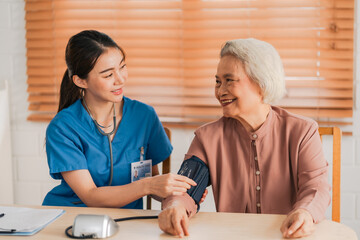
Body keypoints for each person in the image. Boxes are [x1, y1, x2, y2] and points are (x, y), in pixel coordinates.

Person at [158, 38, 330, 238]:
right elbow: (184, 188)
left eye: (229, 80)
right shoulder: (207, 138)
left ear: (261, 83)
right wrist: (175, 207)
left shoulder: (303, 131)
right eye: (217, 82)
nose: (220, 91)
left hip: (286, 235)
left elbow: (315, 187)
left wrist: (305, 212)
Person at [42, 30, 196, 209]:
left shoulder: (144, 116)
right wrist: (149, 185)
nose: (120, 79)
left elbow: (153, 184)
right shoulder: (63, 127)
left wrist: (181, 196)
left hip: (127, 221)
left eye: (122, 67)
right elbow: (91, 196)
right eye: (108, 75)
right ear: (81, 81)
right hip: (72, 217)